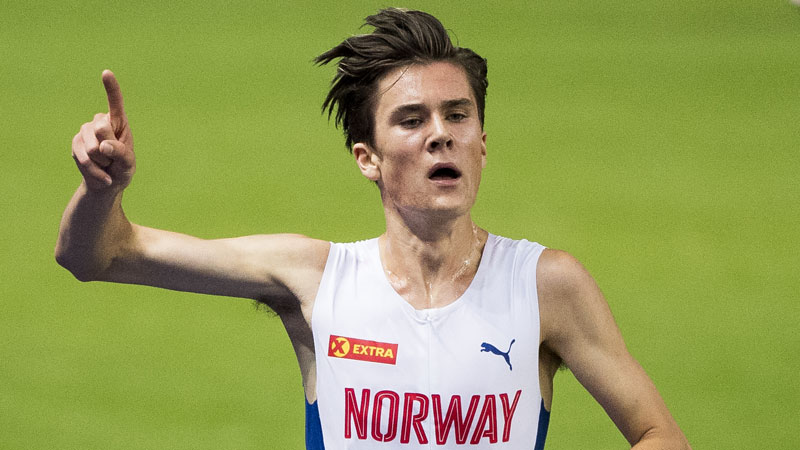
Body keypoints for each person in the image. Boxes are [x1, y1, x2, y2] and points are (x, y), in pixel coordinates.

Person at [56, 8, 690, 450]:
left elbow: (659, 434)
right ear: (368, 158)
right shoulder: (313, 279)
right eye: (411, 120)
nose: (441, 134)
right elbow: (98, 256)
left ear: (482, 143)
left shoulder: (546, 285)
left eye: (458, 115)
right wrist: (100, 192)